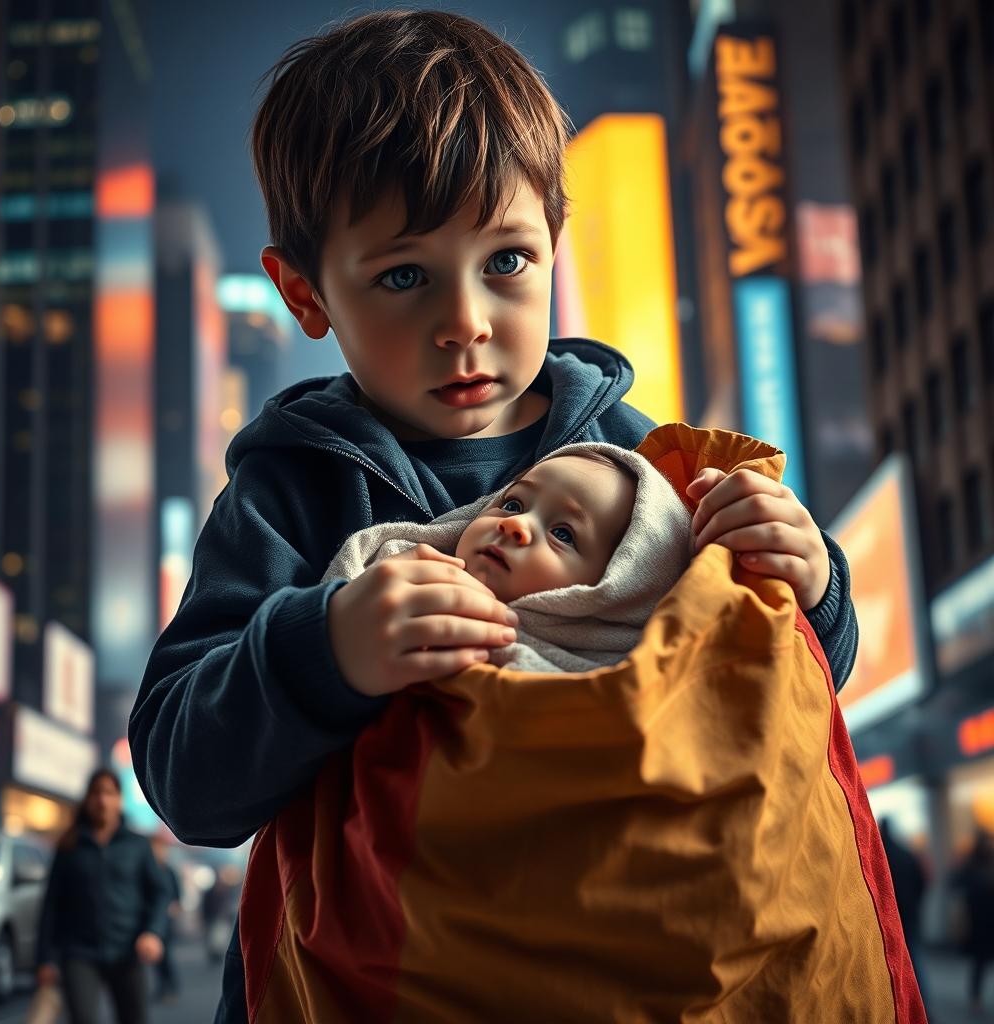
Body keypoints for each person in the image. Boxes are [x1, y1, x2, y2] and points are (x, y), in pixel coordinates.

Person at [127, 11, 859, 1020]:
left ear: (556, 245)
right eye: (403, 275)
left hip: (620, 975)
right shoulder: (292, 490)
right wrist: (325, 648)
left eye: (506, 261)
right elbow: (185, 778)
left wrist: (811, 590)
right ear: (304, 293)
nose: (465, 320)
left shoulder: (643, 463)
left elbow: (764, 704)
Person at [324, 443, 693, 672]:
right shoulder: (402, 572)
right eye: (514, 504)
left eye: (563, 534)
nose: (515, 524)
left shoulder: (610, 673)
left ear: (617, 590)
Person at [35, 769, 169, 1024]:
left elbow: (161, 892)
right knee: (83, 1018)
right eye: (96, 793)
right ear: (87, 799)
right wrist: (44, 959)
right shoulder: (69, 846)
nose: (102, 800)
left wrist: (153, 932)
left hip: (128, 951)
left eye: (109, 793)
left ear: (119, 800)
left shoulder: (137, 845)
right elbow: (51, 904)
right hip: (79, 953)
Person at [878, 818, 929, 1008]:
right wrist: (916, 902)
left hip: (890, 915)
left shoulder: (882, 856)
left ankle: (900, 1003)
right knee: (913, 955)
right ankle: (921, 1002)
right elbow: (922, 882)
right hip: (910, 912)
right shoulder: (907, 854)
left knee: (893, 957)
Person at [954, 829, 994, 1012]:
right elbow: (956, 882)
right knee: (979, 962)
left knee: (980, 962)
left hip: (984, 919)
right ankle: (975, 998)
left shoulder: (979, 865)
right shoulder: (972, 866)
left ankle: (975, 998)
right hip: (979, 922)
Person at [150, 836, 181, 1004]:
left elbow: (177, 894)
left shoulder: (169, 871)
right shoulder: (150, 869)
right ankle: (162, 987)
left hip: (167, 922)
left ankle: (171, 988)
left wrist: (174, 906)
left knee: (166, 957)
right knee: (156, 959)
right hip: (152, 920)